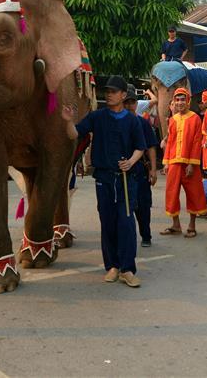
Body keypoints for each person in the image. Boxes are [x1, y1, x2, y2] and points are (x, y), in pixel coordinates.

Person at [62, 75, 146, 287]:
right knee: (107, 223)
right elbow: (74, 134)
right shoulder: (97, 117)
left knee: (126, 223)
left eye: (113, 91)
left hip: (126, 180)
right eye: (107, 91)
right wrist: (68, 121)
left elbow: (140, 147)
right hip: (104, 178)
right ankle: (112, 266)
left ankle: (127, 269)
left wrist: (131, 161)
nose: (108, 94)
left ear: (123, 95)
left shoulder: (132, 120)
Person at [161, 87, 206, 239]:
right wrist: (166, 162)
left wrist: (192, 164)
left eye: (182, 99)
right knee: (172, 193)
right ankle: (176, 225)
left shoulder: (195, 118)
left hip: (189, 163)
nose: (179, 102)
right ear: (174, 101)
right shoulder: (172, 120)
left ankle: (192, 226)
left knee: (193, 193)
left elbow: (196, 142)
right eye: (177, 99)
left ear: (188, 101)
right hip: (173, 162)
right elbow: (170, 142)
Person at [124, 85, 159, 248]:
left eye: (132, 102)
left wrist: (153, 169)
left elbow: (151, 147)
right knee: (124, 208)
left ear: (136, 104)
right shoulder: (117, 122)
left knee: (143, 206)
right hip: (122, 171)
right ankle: (127, 238)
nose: (129, 105)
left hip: (140, 170)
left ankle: (146, 235)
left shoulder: (142, 123)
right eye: (126, 102)